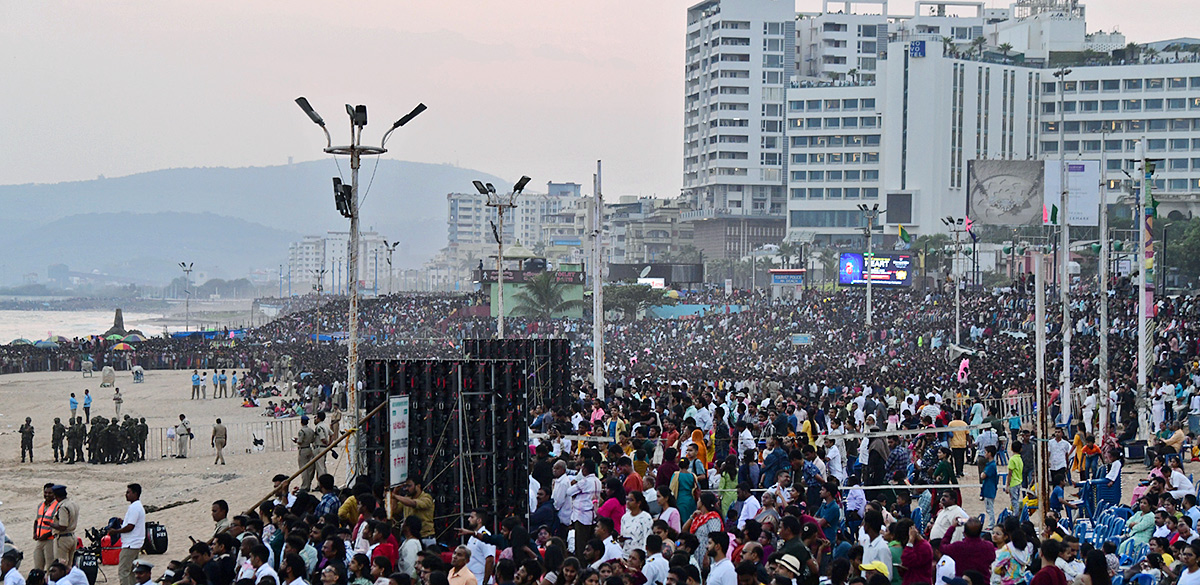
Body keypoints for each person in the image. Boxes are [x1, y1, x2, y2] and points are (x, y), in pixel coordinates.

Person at [110, 483, 146, 585]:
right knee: (131, 571)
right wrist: (122, 522)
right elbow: (130, 523)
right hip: (135, 543)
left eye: (128, 492)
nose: (126, 495)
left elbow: (130, 527)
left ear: (135, 493)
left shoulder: (135, 507)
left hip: (130, 544)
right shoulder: (137, 506)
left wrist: (115, 531)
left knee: (123, 571)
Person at [48, 485, 78, 566]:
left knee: (61, 565)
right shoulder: (72, 504)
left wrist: (50, 524)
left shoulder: (63, 507)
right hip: (72, 536)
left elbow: (63, 526)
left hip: (63, 538)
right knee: (69, 565)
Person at [33, 483, 58, 571]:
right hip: (40, 540)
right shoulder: (40, 505)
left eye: (50, 493)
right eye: (45, 492)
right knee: (37, 566)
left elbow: (57, 525)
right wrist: (35, 533)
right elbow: (37, 521)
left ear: (54, 494)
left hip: (50, 540)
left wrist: (46, 535)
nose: (47, 495)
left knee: (50, 566)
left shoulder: (57, 506)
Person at [295, 416, 318, 491]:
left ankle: (305, 486)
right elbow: (312, 440)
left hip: (303, 449)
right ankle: (309, 484)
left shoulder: (302, 431)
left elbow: (300, 441)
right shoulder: (311, 430)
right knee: (311, 468)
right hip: (309, 448)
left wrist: (296, 440)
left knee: (303, 469)